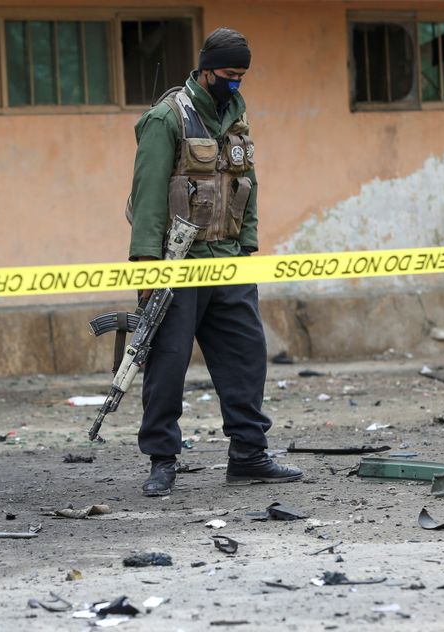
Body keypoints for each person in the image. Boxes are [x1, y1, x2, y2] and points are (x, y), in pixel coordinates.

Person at [127, 27, 304, 497]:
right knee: (168, 364)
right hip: (177, 263)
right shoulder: (168, 118)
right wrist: (147, 267)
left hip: (228, 261)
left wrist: (248, 249)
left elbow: (247, 185)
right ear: (205, 70)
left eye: (242, 76)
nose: (235, 83)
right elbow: (147, 198)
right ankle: (162, 460)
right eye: (228, 74)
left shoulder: (236, 117)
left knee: (247, 357)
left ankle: (248, 454)